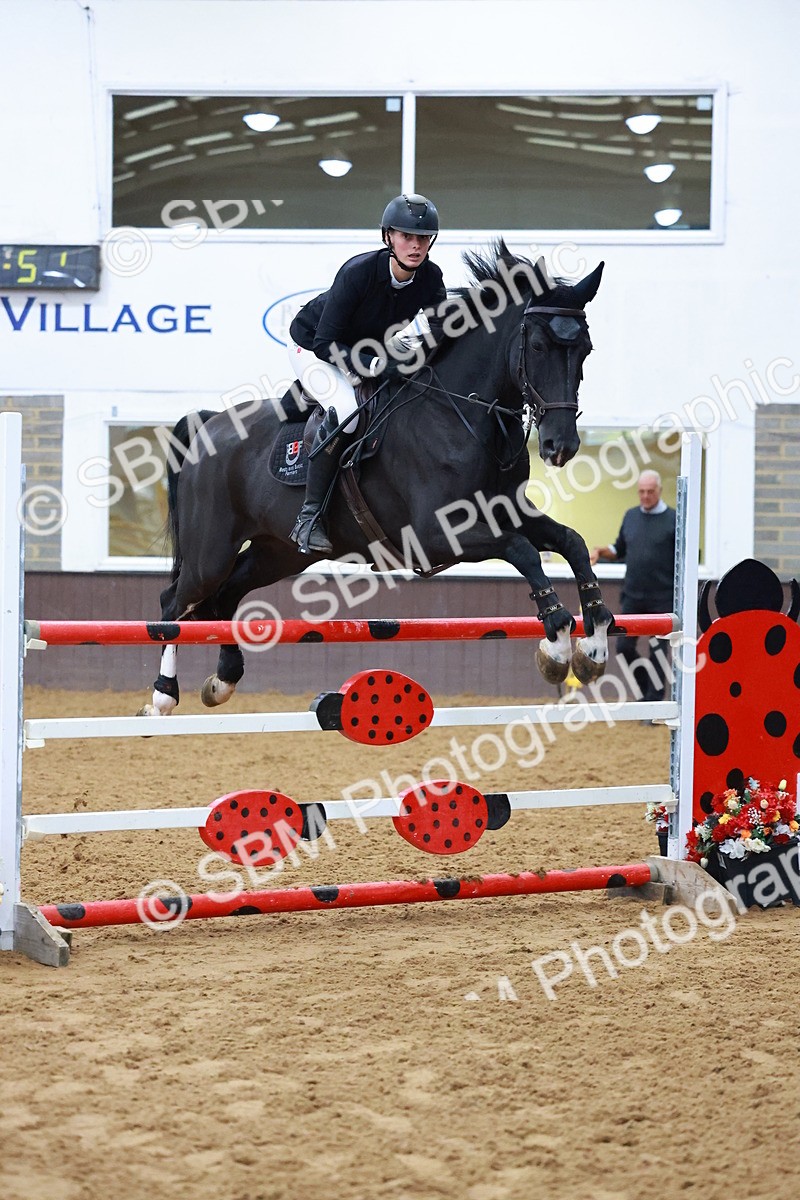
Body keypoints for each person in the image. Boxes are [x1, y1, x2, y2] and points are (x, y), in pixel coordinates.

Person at [286, 193, 448, 555]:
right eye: (407, 236)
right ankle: (308, 518)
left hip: (369, 348)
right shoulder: (358, 272)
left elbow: (440, 326)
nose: (416, 245)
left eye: (423, 238)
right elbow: (325, 342)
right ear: (388, 237)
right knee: (346, 414)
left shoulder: (430, 277)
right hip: (314, 347)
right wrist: (376, 365)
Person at [590, 469, 676, 701]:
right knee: (623, 647)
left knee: (658, 651)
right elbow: (619, 549)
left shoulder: (673, 520)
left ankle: (654, 702)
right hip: (633, 596)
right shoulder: (630, 516)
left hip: (662, 597)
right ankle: (645, 690)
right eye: (641, 492)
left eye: (650, 491)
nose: (645, 496)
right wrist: (601, 551)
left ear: (659, 491)